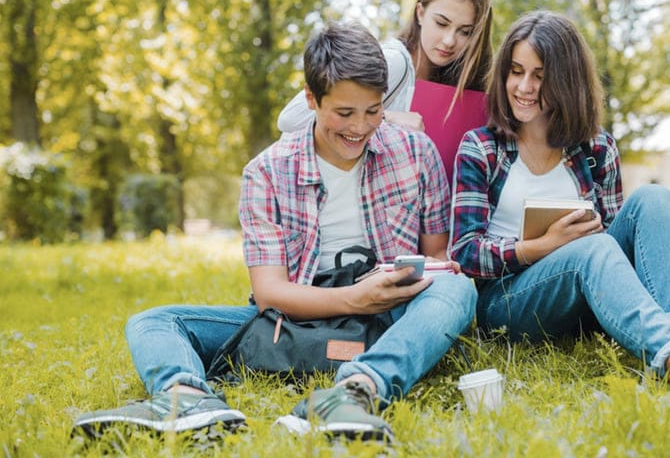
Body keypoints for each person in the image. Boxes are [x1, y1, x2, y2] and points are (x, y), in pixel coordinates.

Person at [73, 23, 477, 442]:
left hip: (386, 311)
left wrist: (400, 282)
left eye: (373, 111)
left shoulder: (415, 151)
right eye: (344, 113)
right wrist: (353, 297)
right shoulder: (266, 171)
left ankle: (356, 392)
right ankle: (186, 399)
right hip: (294, 315)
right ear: (311, 99)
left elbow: (436, 260)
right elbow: (270, 293)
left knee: (458, 290)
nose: (360, 127)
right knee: (152, 322)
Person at [449, 10, 670, 417]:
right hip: (509, 301)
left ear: (566, 79)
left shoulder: (596, 148)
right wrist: (542, 246)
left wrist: (585, 242)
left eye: (540, 75)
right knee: (591, 250)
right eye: (516, 72)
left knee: (655, 200)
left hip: (587, 298)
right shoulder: (481, 147)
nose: (523, 87)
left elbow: (613, 243)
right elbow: (465, 252)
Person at [277, 0, 493, 177]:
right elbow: (289, 120)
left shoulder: (453, 88)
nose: (449, 40)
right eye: (441, 23)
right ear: (420, 13)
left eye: (465, 32)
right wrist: (384, 118)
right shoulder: (394, 61)